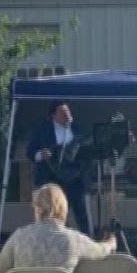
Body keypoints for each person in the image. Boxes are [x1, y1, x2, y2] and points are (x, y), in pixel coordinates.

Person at [26, 99, 94, 235]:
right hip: (52, 178)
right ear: (53, 115)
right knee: (57, 213)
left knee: (82, 213)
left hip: (75, 178)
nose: (67, 114)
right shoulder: (42, 129)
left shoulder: (77, 127)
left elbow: (87, 146)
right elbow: (30, 152)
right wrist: (40, 154)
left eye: (68, 111)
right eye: (62, 112)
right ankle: (58, 241)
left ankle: (89, 242)